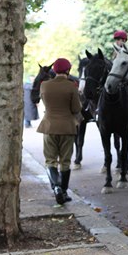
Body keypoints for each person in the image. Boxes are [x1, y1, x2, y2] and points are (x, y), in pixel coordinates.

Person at [37, 58, 82, 205]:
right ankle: (63, 191)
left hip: (49, 126)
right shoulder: (71, 86)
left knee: (50, 160)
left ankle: (55, 188)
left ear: (55, 70)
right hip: (67, 127)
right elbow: (76, 109)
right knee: (65, 161)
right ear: (68, 70)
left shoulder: (44, 85)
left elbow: (44, 103)